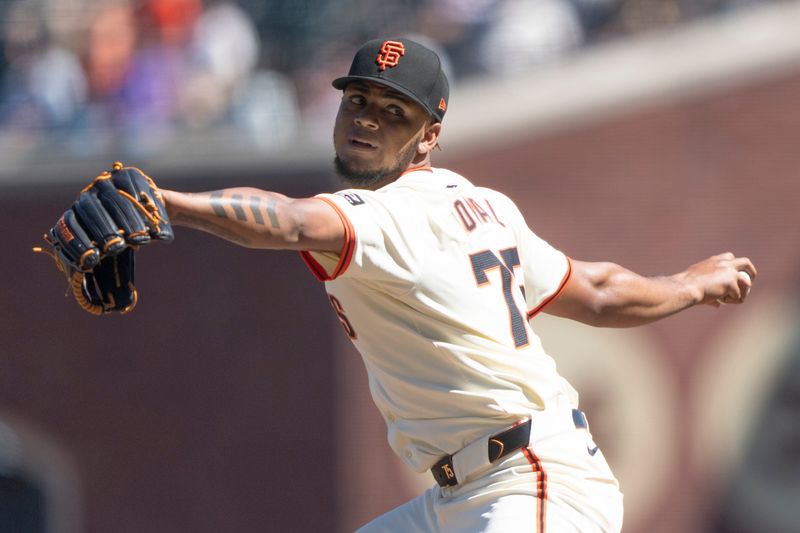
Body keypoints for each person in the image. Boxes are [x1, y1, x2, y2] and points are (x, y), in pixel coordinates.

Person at [159, 38, 755, 532]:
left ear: (429, 136)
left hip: (532, 483)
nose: (368, 118)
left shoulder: (387, 213)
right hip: (461, 496)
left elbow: (287, 220)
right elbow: (596, 290)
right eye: (358, 99)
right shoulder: (481, 203)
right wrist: (689, 285)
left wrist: (168, 204)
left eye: (396, 112)